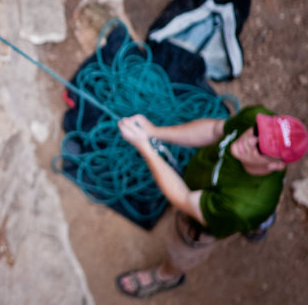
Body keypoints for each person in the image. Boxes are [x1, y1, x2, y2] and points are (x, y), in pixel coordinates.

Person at [115, 106, 308, 298]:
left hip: (209, 217)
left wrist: (146, 148)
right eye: (258, 131)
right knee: (255, 214)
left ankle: (167, 276)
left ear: (277, 165)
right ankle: (258, 225)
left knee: (183, 249)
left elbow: (183, 199)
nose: (249, 141)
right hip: (225, 196)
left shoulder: (241, 206)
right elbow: (215, 129)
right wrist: (153, 132)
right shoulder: (256, 118)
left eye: (261, 148)